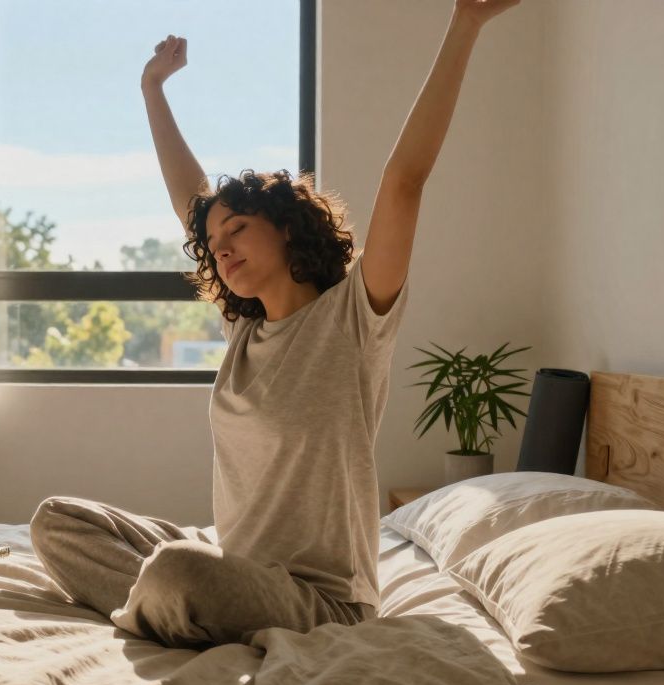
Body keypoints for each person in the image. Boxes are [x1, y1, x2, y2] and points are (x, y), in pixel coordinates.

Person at [30, 0, 520, 649]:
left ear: (288, 229)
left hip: (317, 598)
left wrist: (465, 24)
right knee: (57, 521)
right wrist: (151, 88)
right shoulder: (244, 333)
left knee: (178, 570)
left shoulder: (354, 318)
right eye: (213, 240)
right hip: (233, 564)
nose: (221, 246)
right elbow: (190, 200)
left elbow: (404, 180)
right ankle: (164, 603)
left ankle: (165, 601)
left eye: (238, 229)